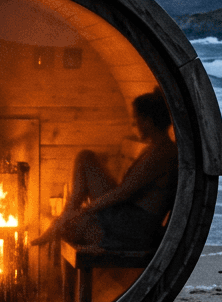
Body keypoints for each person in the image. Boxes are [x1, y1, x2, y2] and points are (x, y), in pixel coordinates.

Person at [32, 90, 177, 250]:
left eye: (136, 118)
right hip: (128, 215)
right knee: (85, 157)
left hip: (134, 226)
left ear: (148, 121)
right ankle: (62, 221)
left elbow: (123, 193)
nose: (134, 124)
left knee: (84, 159)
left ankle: (59, 223)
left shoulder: (161, 154)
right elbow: (125, 191)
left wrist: (87, 210)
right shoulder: (156, 149)